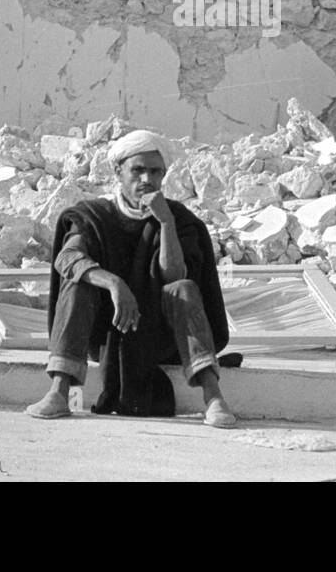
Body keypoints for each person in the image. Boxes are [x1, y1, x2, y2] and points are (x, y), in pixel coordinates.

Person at [26, 129, 236, 428]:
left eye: (155, 172)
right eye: (137, 170)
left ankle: (214, 398)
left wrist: (165, 223)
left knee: (184, 288)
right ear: (118, 172)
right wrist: (113, 283)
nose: (146, 179)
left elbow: (173, 275)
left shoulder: (178, 218)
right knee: (78, 285)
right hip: (106, 329)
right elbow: (67, 258)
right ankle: (59, 392)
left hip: (160, 333)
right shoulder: (95, 215)